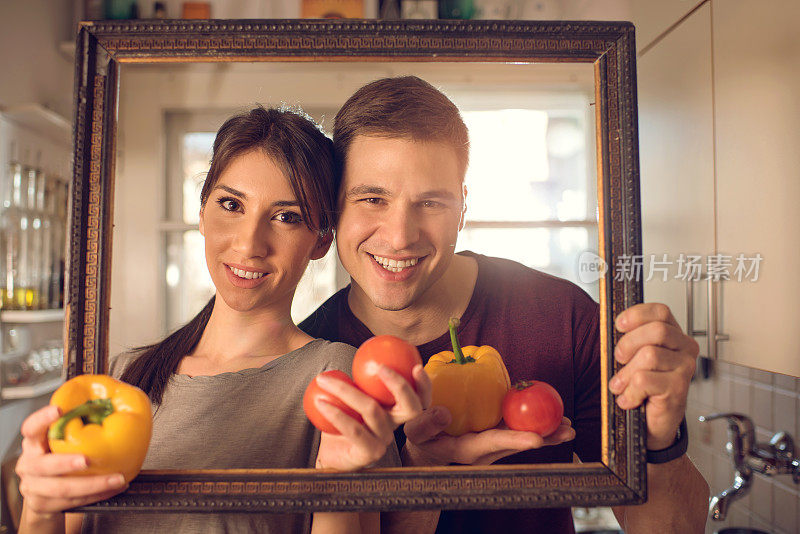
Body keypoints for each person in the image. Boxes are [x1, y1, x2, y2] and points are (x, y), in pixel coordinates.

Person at [300, 76, 710, 533]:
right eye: (372, 198)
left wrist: (660, 442)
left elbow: (676, 527)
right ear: (336, 207)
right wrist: (427, 479)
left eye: (431, 202)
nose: (399, 237)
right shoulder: (309, 357)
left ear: (462, 208)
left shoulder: (563, 317)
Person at [15, 106, 429, 534]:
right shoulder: (123, 377)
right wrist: (40, 508)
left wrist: (336, 482)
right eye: (231, 204)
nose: (250, 244)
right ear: (201, 212)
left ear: (321, 241)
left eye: (287, 216)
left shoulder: (335, 377)